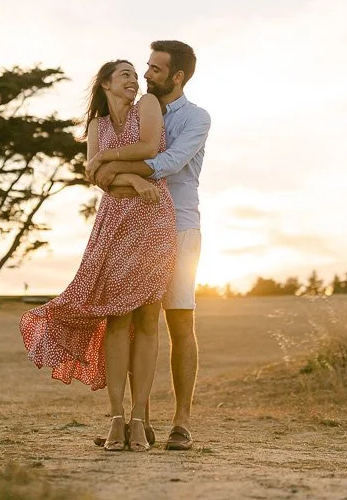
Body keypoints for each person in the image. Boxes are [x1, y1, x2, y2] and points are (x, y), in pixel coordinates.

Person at [19, 59, 178, 452]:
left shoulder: (149, 107)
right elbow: (99, 181)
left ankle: (140, 418)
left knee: (146, 317)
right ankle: (116, 419)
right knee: (115, 317)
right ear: (106, 84)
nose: (133, 79)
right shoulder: (96, 126)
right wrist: (134, 179)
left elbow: (146, 148)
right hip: (115, 221)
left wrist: (103, 160)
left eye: (134, 74)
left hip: (154, 220)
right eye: (124, 74)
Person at [91, 40, 210, 451]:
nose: (146, 74)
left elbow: (168, 163)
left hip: (178, 226)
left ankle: (182, 421)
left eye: (156, 69)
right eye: (146, 66)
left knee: (178, 323)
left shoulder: (196, 117)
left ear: (177, 76)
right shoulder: (139, 110)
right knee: (130, 322)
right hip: (135, 224)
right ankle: (134, 417)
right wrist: (107, 168)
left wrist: (104, 161)